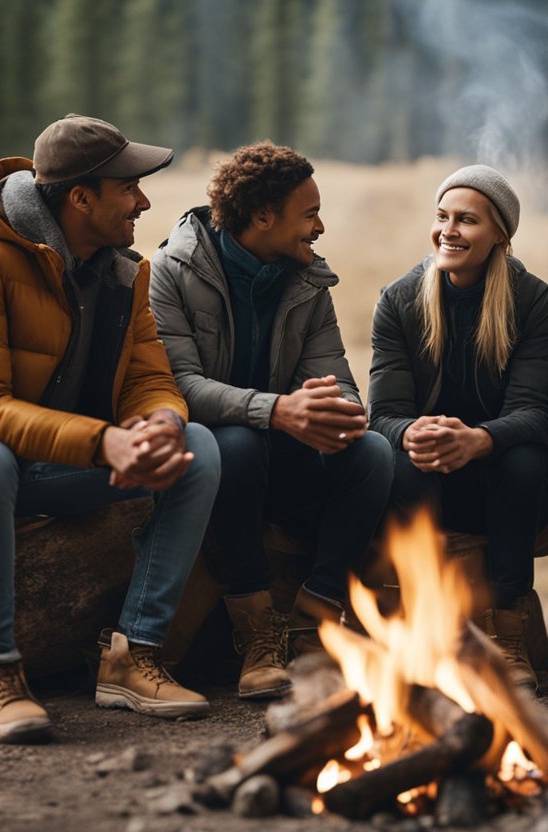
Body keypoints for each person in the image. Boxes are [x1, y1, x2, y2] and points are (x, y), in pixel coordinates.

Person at [0, 115, 222, 743]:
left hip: (45, 463)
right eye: (128, 188)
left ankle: (133, 655)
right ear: (80, 197)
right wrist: (102, 442)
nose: (143, 202)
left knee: (197, 448)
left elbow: (148, 376)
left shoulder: (122, 272)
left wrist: (158, 425)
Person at [149, 141, 393, 700]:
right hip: (211, 463)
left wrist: (339, 410)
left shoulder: (306, 281)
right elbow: (180, 386)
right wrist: (277, 410)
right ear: (262, 217)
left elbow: (339, 379)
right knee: (236, 443)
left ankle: (315, 620)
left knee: (373, 452)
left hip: (283, 453)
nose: (320, 227)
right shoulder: (171, 272)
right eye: (309, 215)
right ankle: (257, 632)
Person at [368, 165, 548, 692]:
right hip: (426, 484)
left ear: (500, 233)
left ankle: (508, 632)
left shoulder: (530, 299)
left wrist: (480, 440)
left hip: (499, 485)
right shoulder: (400, 299)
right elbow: (382, 415)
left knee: (523, 459)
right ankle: (427, 627)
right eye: (442, 217)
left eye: (467, 221)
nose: (448, 231)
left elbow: (534, 412)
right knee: (405, 464)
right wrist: (412, 433)